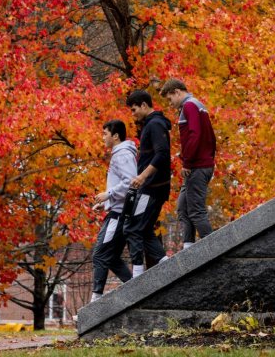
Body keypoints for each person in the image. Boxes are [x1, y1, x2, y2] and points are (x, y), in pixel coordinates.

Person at [160, 78, 216, 250]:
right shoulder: (197, 105)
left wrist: (188, 161)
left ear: (177, 92)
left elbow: (194, 135)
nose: (170, 104)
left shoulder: (190, 106)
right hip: (200, 163)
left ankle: (216, 248)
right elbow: (211, 138)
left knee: (196, 211)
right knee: (183, 207)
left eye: (170, 99)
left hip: (196, 166)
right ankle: (188, 247)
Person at [123, 89, 172, 276]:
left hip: (151, 189)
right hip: (151, 188)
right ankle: (167, 264)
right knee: (143, 229)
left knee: (132, 227)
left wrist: (142, 176)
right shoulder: (151, 125)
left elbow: (162, 154)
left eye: (134, 109)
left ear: (144, 105)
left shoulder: (155, 125)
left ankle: (137, 275)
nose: (133, 114)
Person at [90, 119, 137, 302]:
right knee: (111, 257)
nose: (103, 137)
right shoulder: (121, 154)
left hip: (119, 215)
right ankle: (136, 290)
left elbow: (131, 182)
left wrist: (109, 194)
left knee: (100, 255)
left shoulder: (122, 155)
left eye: (105, 134)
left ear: (115, 135)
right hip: (117, 210)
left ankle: (96, 303)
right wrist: (107, 202)